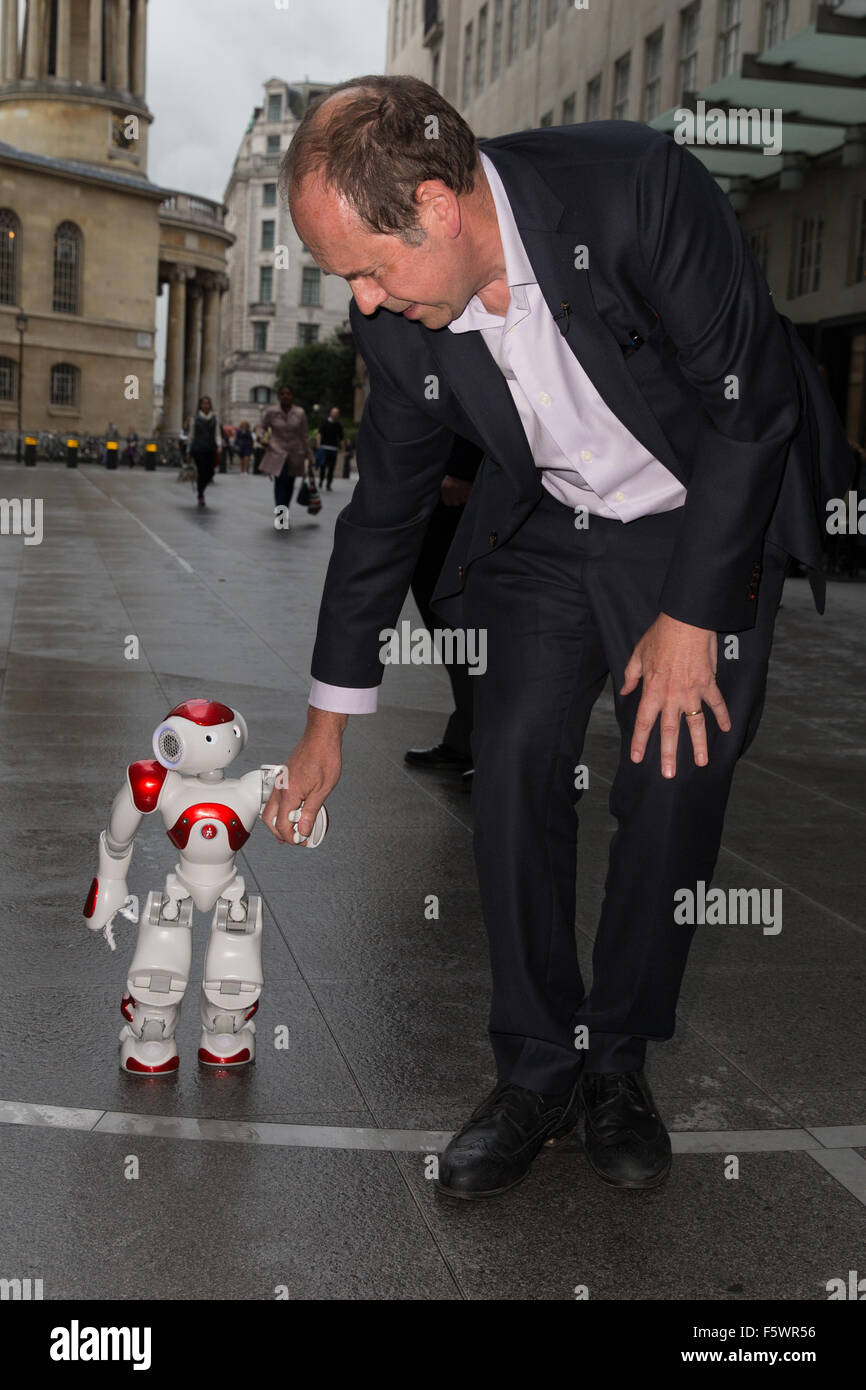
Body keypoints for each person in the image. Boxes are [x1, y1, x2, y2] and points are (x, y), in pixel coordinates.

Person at [263, 76, 854, 1200]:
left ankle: (616, 1061)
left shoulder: (632, 192)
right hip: (548, 530)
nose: (366, 302)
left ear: (436, 207)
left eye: (368, 268)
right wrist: (326, 721)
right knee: (516, 763)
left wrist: (692, 610)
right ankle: (534, 1066)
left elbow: (752, 404)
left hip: (699, 512)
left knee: (675, 782)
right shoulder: (396, 323)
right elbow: (383, 511)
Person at [405, 434, 483, 778]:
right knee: (451, 626)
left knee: (459, 622)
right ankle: (469, 738)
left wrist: (463, 467)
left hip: (457, 492)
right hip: (437, 488)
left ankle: (484, 746)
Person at [259, 385, 316, 526]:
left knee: (289, 484)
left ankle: (285, 510)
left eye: (288, 393)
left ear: (292, 396)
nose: (285, 396)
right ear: (279, 396)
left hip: (295, 453)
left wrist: (310, 455)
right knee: (280, 482)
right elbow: (260, 426)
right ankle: (281, 517)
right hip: (277, 452)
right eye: (283, 393)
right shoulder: (271, 411)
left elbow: (304, 435)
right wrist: (261, 437)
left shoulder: (300, 413)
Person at [187, 396, 222, 507]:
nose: (205, 405)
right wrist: (188, 450)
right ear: (200, 405)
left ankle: (200, 489)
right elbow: (191, 434)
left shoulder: (215, 418)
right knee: (202, 471)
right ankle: (201, 494)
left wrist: (219, 445)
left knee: (210, 472)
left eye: (207, 403)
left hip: (210, 448)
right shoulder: (195, 418)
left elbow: (217, 433)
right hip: (198, 448)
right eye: (203, 403)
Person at [315, 407, 344, 491]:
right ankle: (321, 480)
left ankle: (328, 484)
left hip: (333, 449)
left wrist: (343, 450)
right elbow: (319, 434)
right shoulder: (324, 423)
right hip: (324, 448)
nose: (335, 414)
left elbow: (341, 438)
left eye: (337, 413)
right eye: (334, 413)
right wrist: (318, 444)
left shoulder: (339, 425)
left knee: (331, 468)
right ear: (331, 413)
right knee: (323, 466)